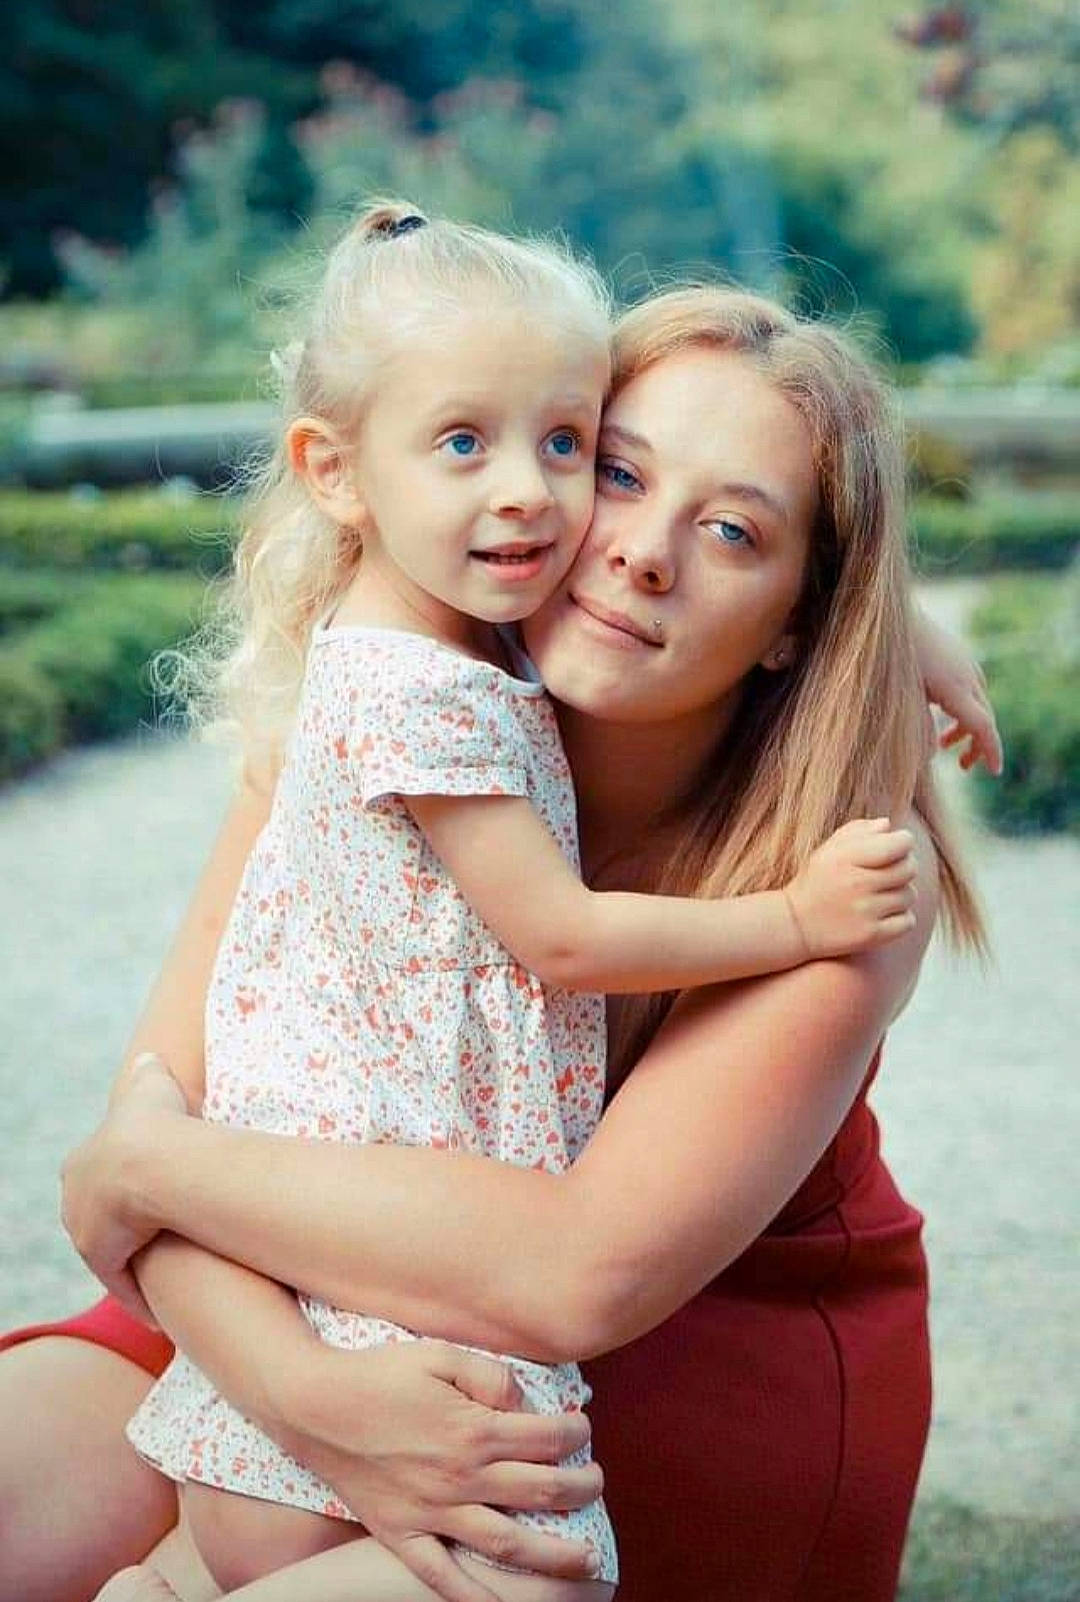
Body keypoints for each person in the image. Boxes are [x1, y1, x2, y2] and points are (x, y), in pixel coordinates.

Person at [1, 280, 998, 1602]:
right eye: (618, 470)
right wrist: (302, 1388)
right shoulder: (393, 690)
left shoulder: (838, 877)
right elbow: (147, 1150)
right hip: (283, 1295)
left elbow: (572, 1273)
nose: (642, 550)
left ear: (805, 617)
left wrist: (153, 1175)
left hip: (633, 1388)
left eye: (732, 533)